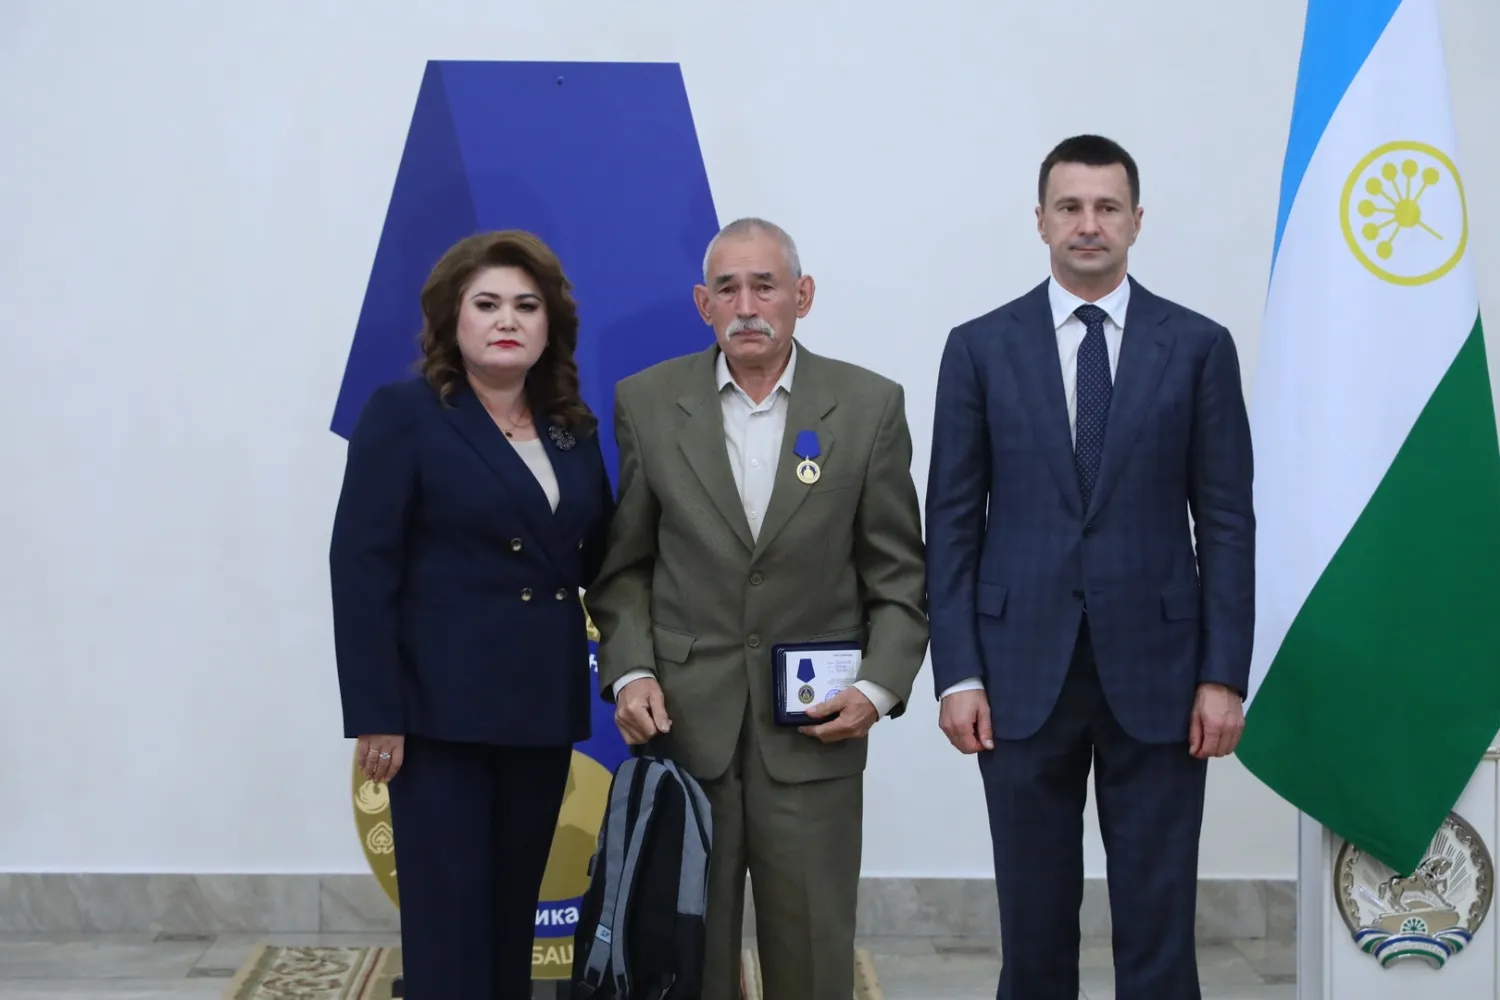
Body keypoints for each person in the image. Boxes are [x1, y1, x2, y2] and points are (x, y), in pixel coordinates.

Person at [924, 135, 1255, 1000]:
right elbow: (950, 524)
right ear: (1039, 220)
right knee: (1033, 926)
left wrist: (1224, 675)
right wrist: (958, 673)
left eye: (1107, 207)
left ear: (1137, 221)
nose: (1088, 224)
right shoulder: (979, 348)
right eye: (1069, 207)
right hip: (1017, 672)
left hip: (1163, 673)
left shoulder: (1198, 347)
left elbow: (1226, 522)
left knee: (1159, 925)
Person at [584, 217, 928, 1000]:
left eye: (765, 286)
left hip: (814, 739)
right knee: (684, 959)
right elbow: (623, 569)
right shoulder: (647, 402)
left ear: (802, 296)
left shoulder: (869, 406)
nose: (747, 306)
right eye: (728, 288)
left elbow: (899, 577)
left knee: (812, 960)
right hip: (684, 734)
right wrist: (631, 671)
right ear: (702, 303)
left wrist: (876, 689)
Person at [328, 230, 615, 998]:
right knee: (449, 928)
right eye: (486, 304)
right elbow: (361, 570)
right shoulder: (405, 414)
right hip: (437, 718)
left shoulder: (572, 429)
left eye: (527, 305)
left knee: (509, 920)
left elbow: (603, 560)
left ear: (551, 325)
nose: (507, 320)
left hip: (539, 710)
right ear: (451, 320)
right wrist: (377, 713)